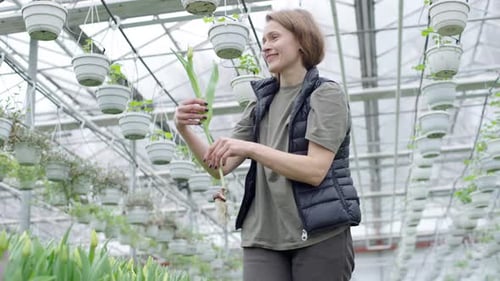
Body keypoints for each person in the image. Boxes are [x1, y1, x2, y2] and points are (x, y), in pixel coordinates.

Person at [174, 8, 361, 281]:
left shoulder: (326, 95)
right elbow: (219, 167)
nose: (266, 47)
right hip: (262, 237)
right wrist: (183, 128)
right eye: (263, 41)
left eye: (274, 38)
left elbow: (315, 170)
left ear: (301, 41)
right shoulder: (261, 102)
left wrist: (251, 149)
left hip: (319, 234)